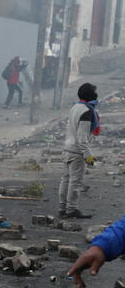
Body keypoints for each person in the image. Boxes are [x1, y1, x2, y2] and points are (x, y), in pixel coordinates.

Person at [59, 83, 99, 219]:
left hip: (67, 148)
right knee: (75, 182)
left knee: (65, 180)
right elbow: (82, 138)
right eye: (95, 92)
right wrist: (89, 155)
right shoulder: (87, 111)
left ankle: (62, 208)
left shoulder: (75, 107)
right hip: (77, 152)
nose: (96, 95)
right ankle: (72, 209)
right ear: (91, 95)